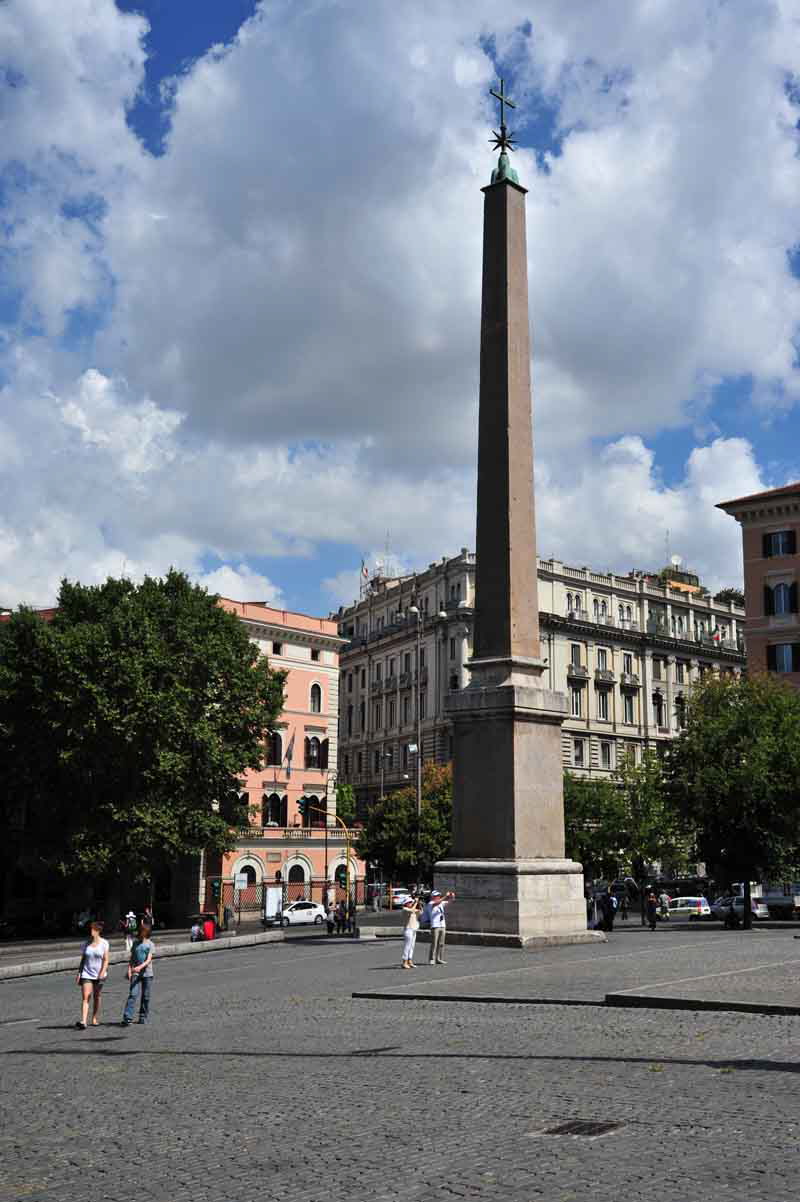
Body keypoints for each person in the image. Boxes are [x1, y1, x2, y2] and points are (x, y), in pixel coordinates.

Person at [76, 921, 109, 1029]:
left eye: (93, 930)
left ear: (98, 931)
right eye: (90, 929)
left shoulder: (104, 943)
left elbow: (106, 960)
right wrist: (79, 973)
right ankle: (83, 1021)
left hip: (99, 974)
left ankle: (94, 1017)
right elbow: (83, 959)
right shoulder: (86, 944)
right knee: (86, 997)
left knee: (96, 996)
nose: (91, 931)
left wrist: (102, 972)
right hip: (87, 973)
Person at [122, 921, 155, 1026]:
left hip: (147, 973)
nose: (140, 934)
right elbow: (132, 958)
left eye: (142, 932)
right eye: (140, 932)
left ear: (146, 933)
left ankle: (142, 1016)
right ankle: (127, 1017)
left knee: (146, 996)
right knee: (133, 994)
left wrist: (139, 967)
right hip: (135, 972)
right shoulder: (135, 943)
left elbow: (149, 959)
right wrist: (129, 970)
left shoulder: (150, 944)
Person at [422, 889, 455, 964]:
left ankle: (439, 958)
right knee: (434, 943)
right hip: (435, 926)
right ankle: (432, 959)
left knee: (441, 943)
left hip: (442, 925)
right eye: (437, 896)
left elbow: (450, 902)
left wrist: (452, 897)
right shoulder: (431, 903)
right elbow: (437, 903)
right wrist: (445, 896)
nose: (438, 897)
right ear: (433, 897)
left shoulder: (440, 903)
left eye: (439, 895)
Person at [401, 896, 422, 969]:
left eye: (411, 902)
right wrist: (415, 902)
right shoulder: (405, 909)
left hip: (414, 929)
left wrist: (419, 903)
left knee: (412, 946)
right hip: (408, 929)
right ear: (406, 903)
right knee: (407, 946)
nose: (410, 903)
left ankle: (410, 960)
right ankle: (404, 962)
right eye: (409, 902)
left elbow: (420, 912)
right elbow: (412, 910)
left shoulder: (413, 909)